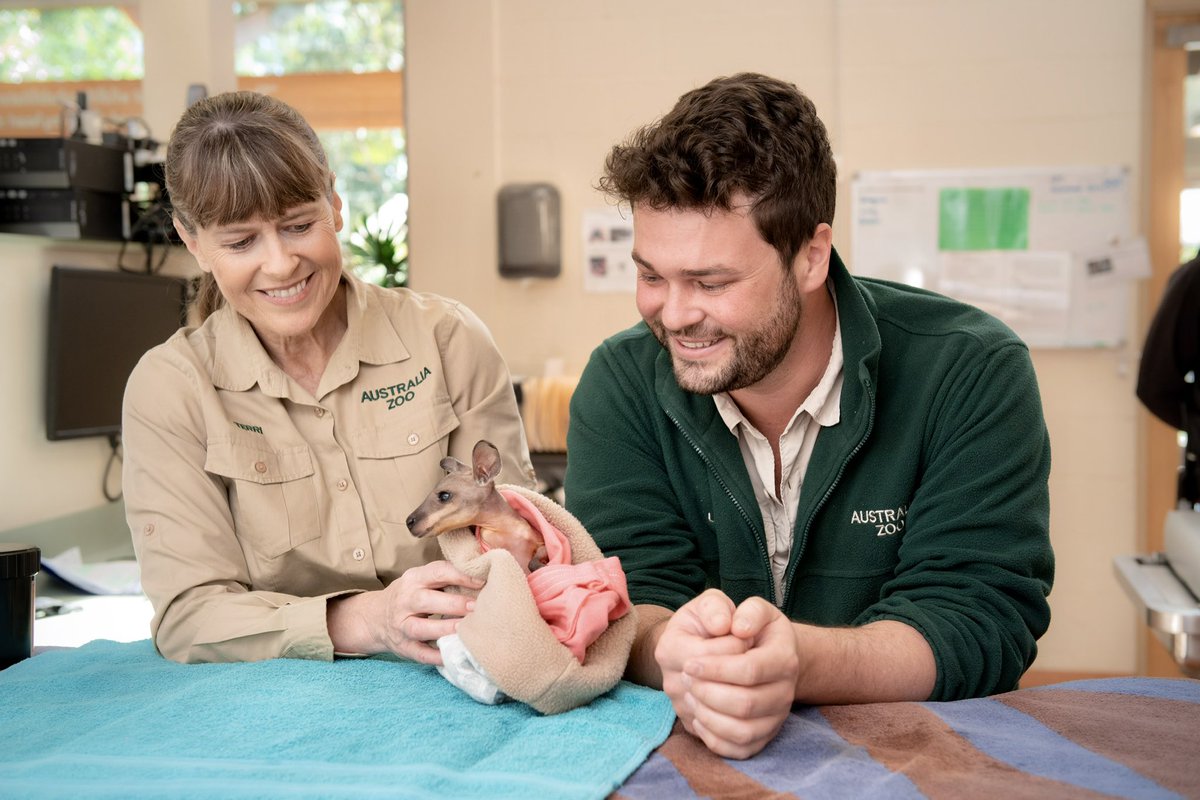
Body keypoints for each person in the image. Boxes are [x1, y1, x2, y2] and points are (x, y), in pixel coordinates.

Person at [564, 73, 1054, 759]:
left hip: (917, 761)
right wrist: (671, 648)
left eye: (711, 282)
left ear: (811, 257)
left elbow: (977, 617)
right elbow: (626, 600)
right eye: (651, 276)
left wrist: (795, 661)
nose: (673, 315)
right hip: (686, 758)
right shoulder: (620, 384)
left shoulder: (969, 370)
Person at [122, 91, 535, 666]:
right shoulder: (170, 388)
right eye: (241, 242)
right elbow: (190, 615)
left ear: (335, 204)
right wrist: (364, 620)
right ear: (192, 241)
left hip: (461, 662)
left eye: (298, 225)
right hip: (275, 698)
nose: (281, 263)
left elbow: (515, 538)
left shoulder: (448, 341)